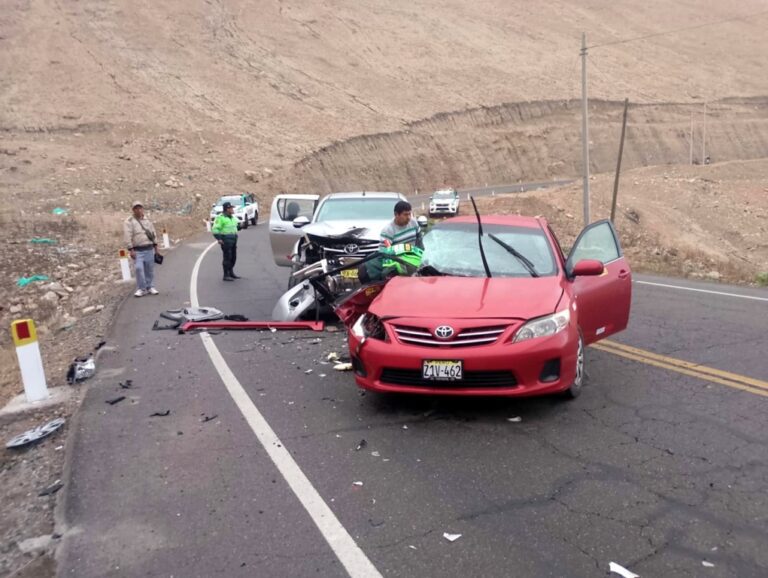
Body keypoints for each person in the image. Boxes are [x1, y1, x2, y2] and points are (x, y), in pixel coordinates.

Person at [123, 201, 160, 297]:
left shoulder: (147, 220)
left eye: (140, 208)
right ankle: (141, 288)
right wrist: (131, 249)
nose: (138, 210)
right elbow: (128, 236)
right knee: (139, 269)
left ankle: (150, 286)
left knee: (149, 269)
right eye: (136, 208)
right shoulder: (129, 221)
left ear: (142, 209)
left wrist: (156, 247)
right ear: (133, 210)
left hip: (149, 248)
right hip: (138, 250)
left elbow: (153, 234)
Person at [212, 201, 240, 281]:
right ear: (227, 209)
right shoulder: (220, 218)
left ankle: (231, 272)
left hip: (234, 239)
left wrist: (240, 226)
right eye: (231, 208)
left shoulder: (232, 217)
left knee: (233, 257)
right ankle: (226, 275)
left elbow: (236, 227)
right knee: (227, 257)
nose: (232, 209)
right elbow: (215, 229)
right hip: (226, 239)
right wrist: (219, 238)